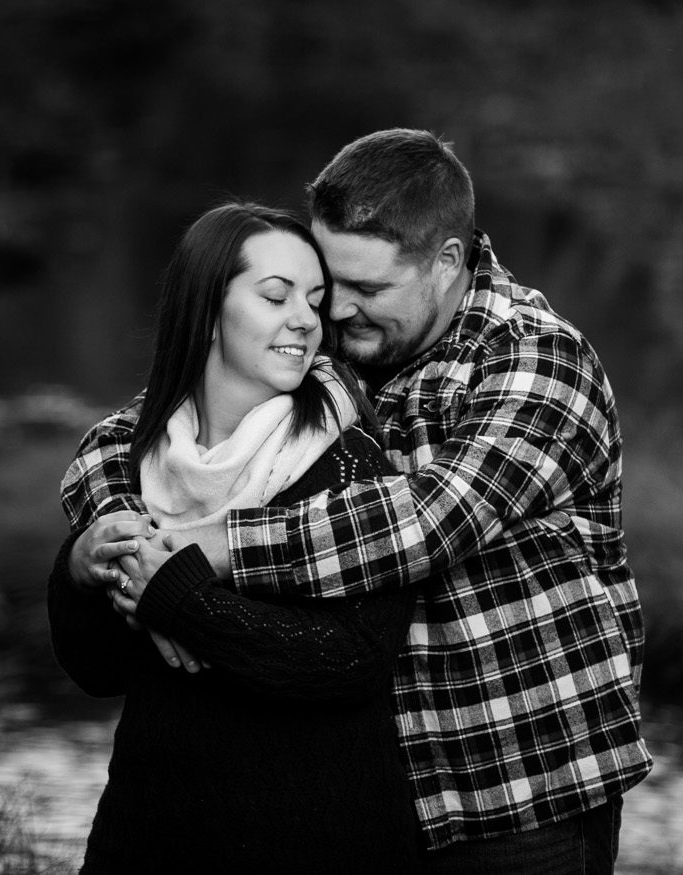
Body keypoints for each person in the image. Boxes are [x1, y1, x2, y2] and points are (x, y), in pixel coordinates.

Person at [63, 130, 650, 873]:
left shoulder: (537, 357)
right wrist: (123, 535)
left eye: (368, 289)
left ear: (446, 263)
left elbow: (428, 522)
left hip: (520, 791)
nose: (335, 310)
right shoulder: (337, 338)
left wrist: (208, 549)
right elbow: (125, 433)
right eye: (326, 281)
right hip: (383, 799)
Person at [46, 201, 425, 873]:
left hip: (314, 840)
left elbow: (354, 660)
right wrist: (78, 569)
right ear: (207, 310)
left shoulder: (347, 461)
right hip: (150, 833)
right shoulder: (134, 459)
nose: (307, 320)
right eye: (276, 295)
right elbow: (98, 669)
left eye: (314, 299)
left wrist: (185, 602)